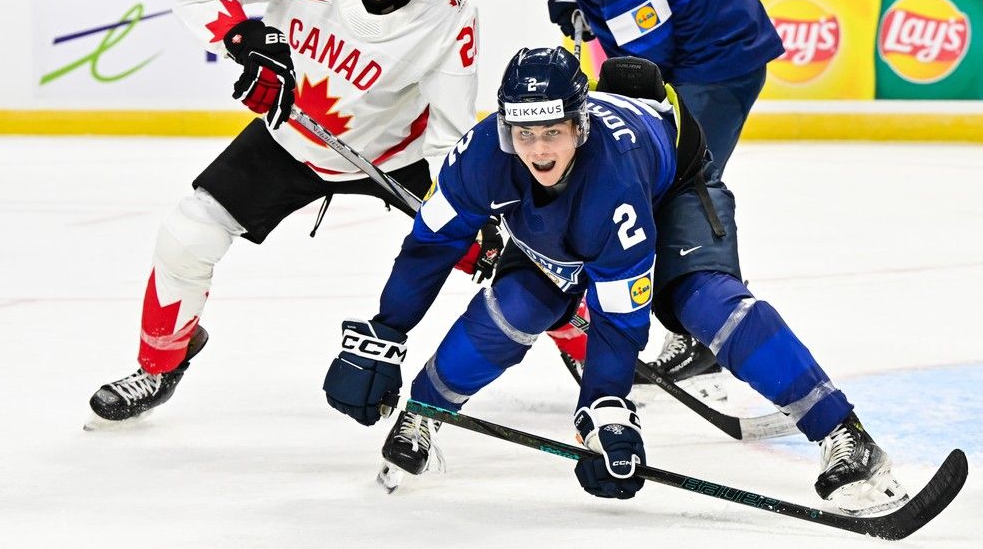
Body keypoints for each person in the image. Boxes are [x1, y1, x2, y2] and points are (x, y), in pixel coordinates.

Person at [322, 46, 911, 518]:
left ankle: (844, 433)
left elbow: (618, 316)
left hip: (672, 183)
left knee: (706, 303)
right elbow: (431, 245)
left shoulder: (612, 185)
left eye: (552, 132)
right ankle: (425, 411)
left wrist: (605, 408)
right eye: (523, 134)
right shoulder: (479, 158)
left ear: (579, 126)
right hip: (579, 212)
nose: (538, 150)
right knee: (518, 302)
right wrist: (385, 331)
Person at [87, 0, 486, 427]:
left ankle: (594, 355)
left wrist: (467, 209)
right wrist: (246, 39)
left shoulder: (450, 11)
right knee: (187, 234)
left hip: (394, 157)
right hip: (288, 136)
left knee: (494, 249)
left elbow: (450, 132)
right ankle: (159, 365)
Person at [525, 0, 783, 387]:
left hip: (716, 58)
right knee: (667, 182)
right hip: (721, 43)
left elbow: (650, 44)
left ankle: (709, 328)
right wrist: (582, 0)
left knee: (679, 183)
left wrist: (618, 109)